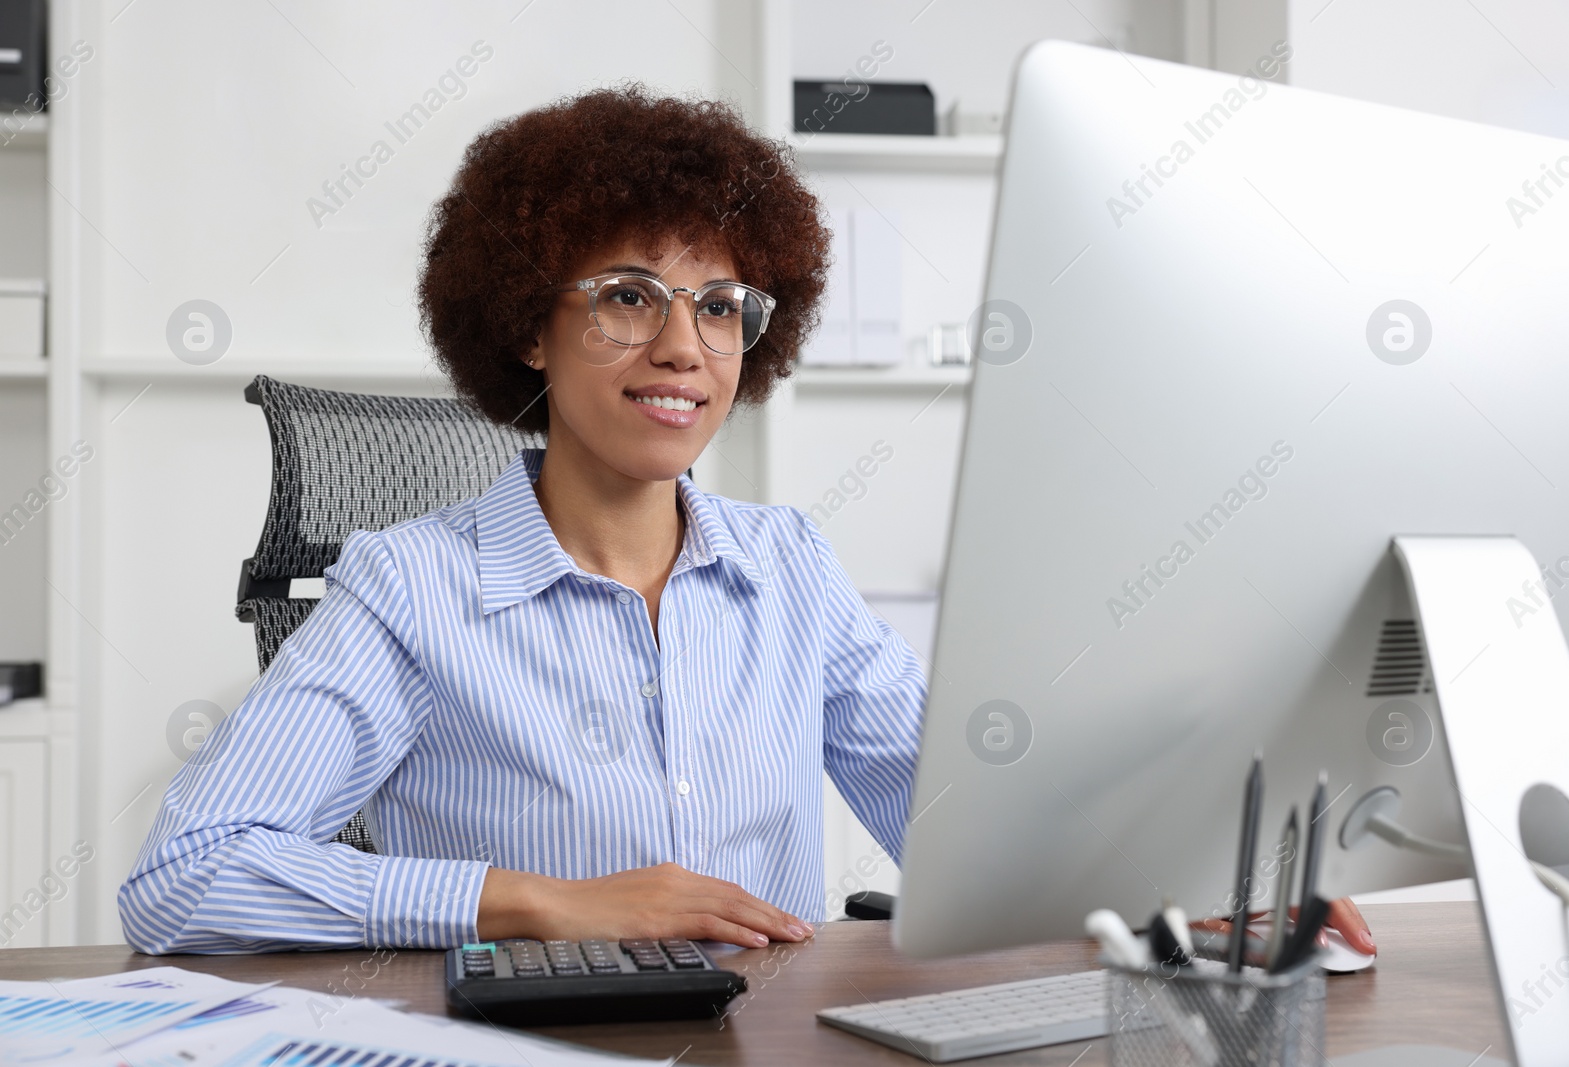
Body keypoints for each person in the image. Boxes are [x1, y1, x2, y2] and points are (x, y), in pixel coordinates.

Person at [118, 84, 1374, 959]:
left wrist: (1177, 900)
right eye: (627, 296)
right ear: (523, 326)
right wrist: (539, 903)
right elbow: (183, 878)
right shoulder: (411, 587)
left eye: (721, 306)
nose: (682, 345)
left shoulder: (786, 567)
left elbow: (954, 812)